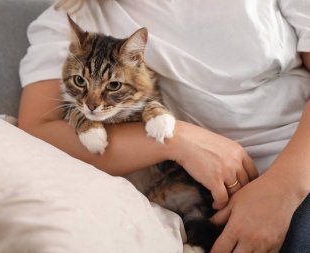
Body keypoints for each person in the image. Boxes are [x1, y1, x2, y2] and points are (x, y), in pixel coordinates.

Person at [17, 1, 310, 252]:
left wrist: (284, 188)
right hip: (204, 200)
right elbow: (38, 131)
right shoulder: (72, 20)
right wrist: (177, 141)